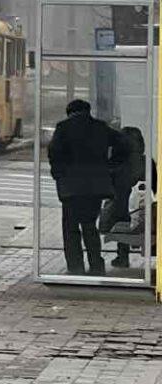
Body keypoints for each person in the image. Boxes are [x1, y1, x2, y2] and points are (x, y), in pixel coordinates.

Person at [49, 99, 128, 275]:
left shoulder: (63, 127)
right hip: (95, 187)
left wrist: (59, 173)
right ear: (88, 111)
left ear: (70, 112)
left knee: (70, 228)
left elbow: (53, 153)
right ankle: (96, 265)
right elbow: (123, 143)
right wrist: (110, 165)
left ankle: (75, 266)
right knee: (90, 226)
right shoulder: (100, 127)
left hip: (71, 187)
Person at [101, 125, 147, 269]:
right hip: (140, 209)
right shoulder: (146, 162)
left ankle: (122, 256)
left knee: (121, 224)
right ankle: (122, 256)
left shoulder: (115, 164)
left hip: (119, 207)